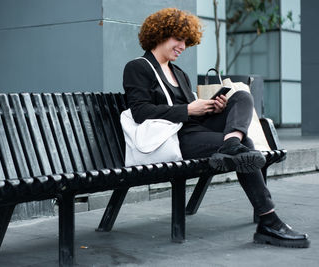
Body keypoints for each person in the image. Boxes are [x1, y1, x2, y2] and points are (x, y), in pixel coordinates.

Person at [123, 7, 309, 248]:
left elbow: (193, 112)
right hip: (172, 138)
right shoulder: (138, 67)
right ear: (160, 34)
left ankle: (231, 143)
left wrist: (213, 108)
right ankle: (269, 222)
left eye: (187, 42)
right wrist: (189, 110)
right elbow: (141, 112)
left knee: (241, 96)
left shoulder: (178, 72)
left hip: (193, 129)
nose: (183, 46)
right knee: (247, 147)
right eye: (179, 39)